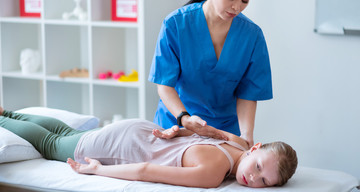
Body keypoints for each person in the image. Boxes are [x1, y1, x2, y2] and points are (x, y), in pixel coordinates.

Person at [0, 107, 297, 188]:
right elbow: (145, 171)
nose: (252, 178)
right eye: (258, 167)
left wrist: (174, 132)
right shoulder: (214, 173)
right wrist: (99, 169)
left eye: (264, 183)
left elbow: (197, 135)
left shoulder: (237, 143)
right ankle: (3, 117)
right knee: (51, 142)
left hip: (141, 130)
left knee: (65, 132)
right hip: (126, 144)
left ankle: (8, 113)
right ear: (255, 147)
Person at [148, 0, 272, 147]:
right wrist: (184, 118)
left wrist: (246, 137)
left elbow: (247, 94)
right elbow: (164, 84)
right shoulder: (175, 25)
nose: (237, 7)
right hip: (176, 126)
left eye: (245, 1)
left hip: (223, 133)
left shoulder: (252, 36)